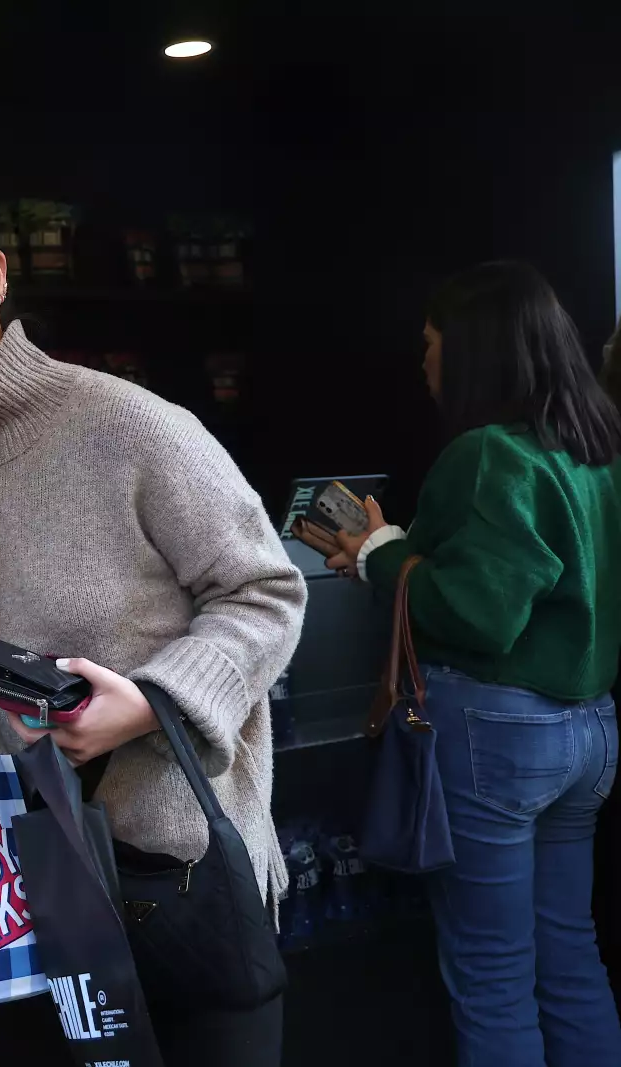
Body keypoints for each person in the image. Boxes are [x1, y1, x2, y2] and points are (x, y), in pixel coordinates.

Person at [0, 178, 307, 1067]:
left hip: (175, 876)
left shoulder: (125, 424)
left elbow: (267, 590)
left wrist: (152, 701)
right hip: (25, 887)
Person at [308, 262, 621, 1067]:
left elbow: (479, 612)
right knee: (570, 954)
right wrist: (394, 549)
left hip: (498, 735)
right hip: (589, 729)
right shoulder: (595, 447)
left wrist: (378, 555)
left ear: (473, 348)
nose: (423, 359)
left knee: (492, 976)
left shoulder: (488, 453)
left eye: (431, 342)